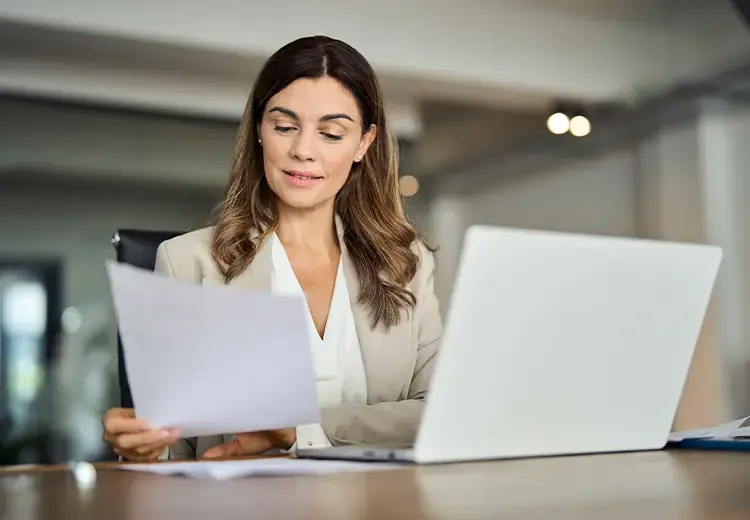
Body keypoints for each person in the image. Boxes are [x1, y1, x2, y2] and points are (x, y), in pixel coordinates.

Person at [101, 35, 442, 461]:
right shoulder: (187, 260)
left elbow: (437, 415)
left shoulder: (407, 263)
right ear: (260, 130)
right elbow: (175, 451)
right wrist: (140, 450)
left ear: (364, 144)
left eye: (331, 133)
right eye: (284, 127)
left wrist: (300, 429)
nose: (303, 150)